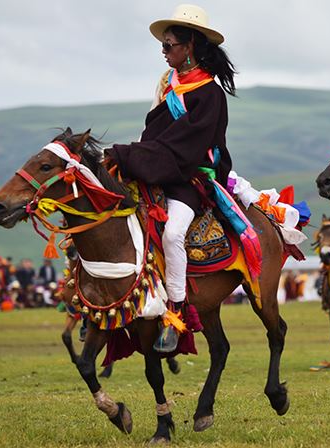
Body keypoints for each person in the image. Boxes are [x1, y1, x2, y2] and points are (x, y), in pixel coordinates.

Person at [105, 4, 235, 352]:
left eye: (169, 45)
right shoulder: (166, 83)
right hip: (157, 168)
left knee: (174, 233)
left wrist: (138, 156)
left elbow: (186, 146)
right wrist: (135, 158)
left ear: (189, 45)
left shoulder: (210, 93)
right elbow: (153, 130)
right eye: (162, 46)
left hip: (189, 177)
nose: (163, 52)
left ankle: (176, 315)